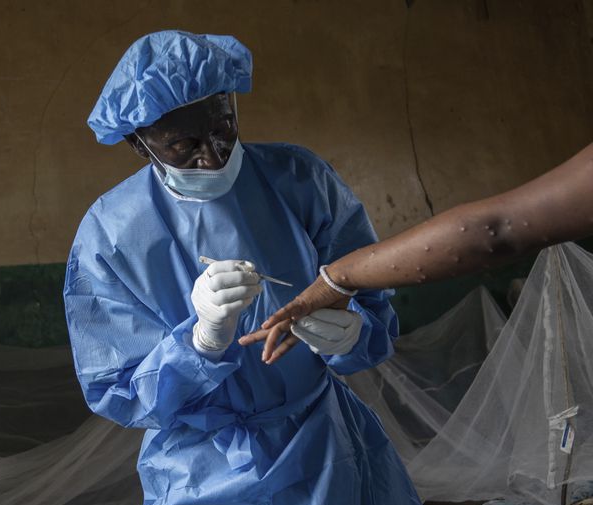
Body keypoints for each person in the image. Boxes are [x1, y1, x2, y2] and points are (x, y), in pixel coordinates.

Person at [64, 30, 432, 505]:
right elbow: (117, 389)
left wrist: (351, 332)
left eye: (223, 130)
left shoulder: (300, 180)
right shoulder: (111, 233)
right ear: (138, 143)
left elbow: (370, 307)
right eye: (183, 146)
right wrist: (200, 342)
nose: (213, 158)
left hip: (320, 447)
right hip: (200, 470)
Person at [240, 141, 593, 364]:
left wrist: (337, 279)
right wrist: (336, 280)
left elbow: (495, 230)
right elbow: (495, 229)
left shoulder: (301, 175)